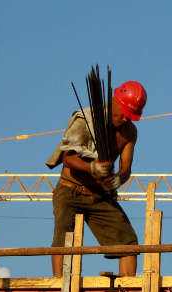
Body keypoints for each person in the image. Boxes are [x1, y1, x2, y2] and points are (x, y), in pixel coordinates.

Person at [46, 80, 147, 276]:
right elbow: (68, 158)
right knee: (63, 240)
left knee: (127, 242)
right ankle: (59, 285)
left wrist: (118, 179)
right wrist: (91, 167)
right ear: (114, 102)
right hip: (71, 189)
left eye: (130, 116)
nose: (126, 119)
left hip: (99, 195)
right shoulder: (87, 119)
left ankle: (128, 288)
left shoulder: (129, 132)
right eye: (124, 114)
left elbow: (125, 169)